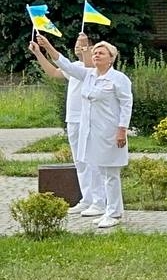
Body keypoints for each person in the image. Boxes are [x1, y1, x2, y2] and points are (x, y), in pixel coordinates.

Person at [37, 34, 132, 229]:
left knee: (111, 173)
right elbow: (64, 64)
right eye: (95, 52)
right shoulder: (88, 75)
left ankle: (113, 212)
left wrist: (122, 129)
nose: (96, 55)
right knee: (101, 171)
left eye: (101, 53)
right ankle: (110, 209)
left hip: (110, 133)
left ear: (111, 58)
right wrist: (47, 46)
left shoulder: (118, 78)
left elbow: (126, 104)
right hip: (91, 133)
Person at [28, 34, 105, 217]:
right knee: (80, 161)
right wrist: (39, 53)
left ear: (92, 48)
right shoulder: (75, 66)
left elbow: (86, 67)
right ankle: (87, 199)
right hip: (74, 119)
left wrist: (50, 46)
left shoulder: (95, 69)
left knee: (92, 161)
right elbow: (55, 73)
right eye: (77, 44)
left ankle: (100, 201)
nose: (78, 46)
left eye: (83, 45)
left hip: (90, 120)